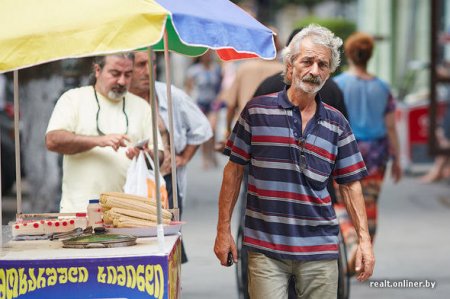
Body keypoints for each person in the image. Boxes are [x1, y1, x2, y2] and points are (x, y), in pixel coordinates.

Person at [214, 24, 374, 299]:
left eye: (322, 64)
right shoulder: (256, 112)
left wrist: (364, 241)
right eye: (307, 61)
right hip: (266, 247)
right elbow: (234, 170)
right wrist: (223, 230)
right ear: (289, 66)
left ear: (329, 72)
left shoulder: (337, 123)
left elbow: (350, 184)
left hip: (320, 248)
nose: (314, 71)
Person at [46, 53, 163, 213]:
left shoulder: (142, 107)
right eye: (115, 74)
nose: (122, 81)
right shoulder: (73, 99)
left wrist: (144, 155)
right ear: (97, 70)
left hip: (129, 214)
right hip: (80, 211)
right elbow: (53, 140)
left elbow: (160, 156)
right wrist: (99, 141)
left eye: (128, 75)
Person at [129, 51, 213, 263]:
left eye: (152, 64)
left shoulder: (168, 94)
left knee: (168, 240)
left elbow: (201, 128)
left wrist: (184, 157)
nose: (147, 71)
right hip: (130, 183)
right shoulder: (121, 98)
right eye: (140, 65)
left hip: (166, 182)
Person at [333, 32, 402, 275]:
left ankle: (351, 242)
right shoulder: (383, 87)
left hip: (345, 154)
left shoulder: (337, 84)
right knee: (369, 205)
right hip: (376, 156)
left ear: (348, 55)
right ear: (370, 56)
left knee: (341, 202)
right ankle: (364, 253)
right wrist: (397, 158)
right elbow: (391, 126)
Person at [185, 50, 222, 169]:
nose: (207, 57)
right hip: (200, 103)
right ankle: (205, 157)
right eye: (205, 55)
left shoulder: (216, 68)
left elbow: (221, 86)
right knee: (205, 130)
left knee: (213, 128)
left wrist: (220, 99)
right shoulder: (194, 70)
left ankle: (213, 154)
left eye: (209, 55)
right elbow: (189, 87)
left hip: (212, 103)